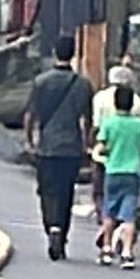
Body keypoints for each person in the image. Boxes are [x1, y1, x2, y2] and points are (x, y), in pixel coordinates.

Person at [22, 34, 95, 261]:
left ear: (55, 52)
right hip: (71, 147)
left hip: (47, 146)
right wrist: (86, 144)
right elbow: (88, 120)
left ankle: (51, 227)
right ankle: (61, 234)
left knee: (47, 190)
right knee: (66, 191)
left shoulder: (41, 82)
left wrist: (30, 140)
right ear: (73, 54)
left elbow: (30, 115)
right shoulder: (83, 85)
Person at [95, 84, 140, 270]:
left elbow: (102, 146)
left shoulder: (109, 123)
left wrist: (106, 151)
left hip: (112, 171)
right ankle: (127, 252)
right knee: (129, 216)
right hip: (133, 172)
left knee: (109, 212)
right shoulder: (139, 125)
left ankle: (107, 249)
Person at [90, 64, 140, 243]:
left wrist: (93, 147)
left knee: (101, 193)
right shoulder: (136, 99)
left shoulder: (100, 98)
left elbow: (96, 125)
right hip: (130, 159)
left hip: (106, 155)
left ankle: (105, 228)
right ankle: (121, 231)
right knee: (128, 202)